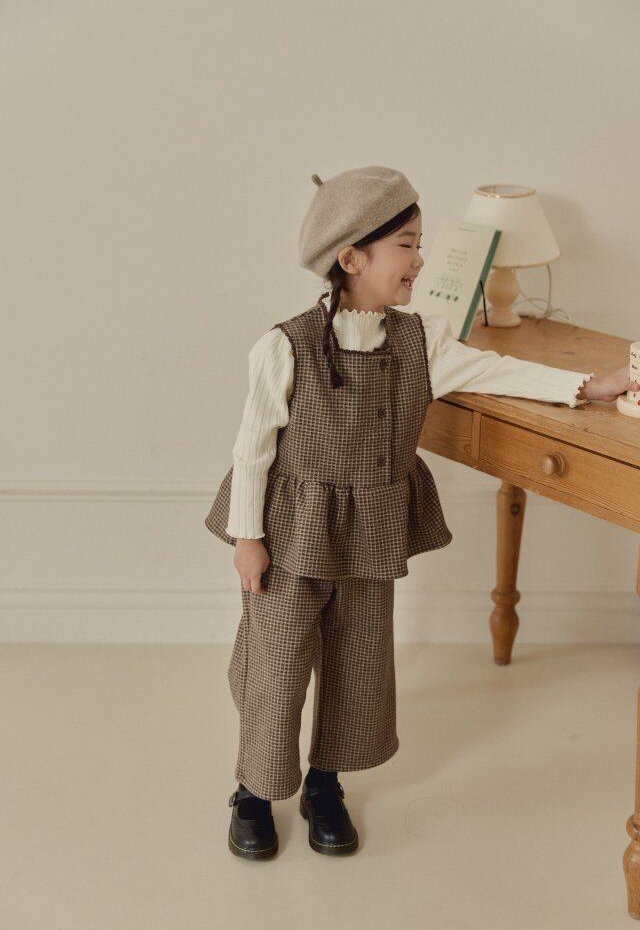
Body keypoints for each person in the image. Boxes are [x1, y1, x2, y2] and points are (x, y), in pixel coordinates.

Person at [205, 166, 640, 861]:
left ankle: (326, 783)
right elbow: (252, 449)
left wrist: (593, 386)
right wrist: (246, 538)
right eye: (406, 245)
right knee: (276, 663)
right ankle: (254, 792)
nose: (420, 259)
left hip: (371, 534)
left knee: (358, 661)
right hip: (291, 535)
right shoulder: (285, 346)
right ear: (353, 258)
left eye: (419, 243)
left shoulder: (420, 342)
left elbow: (500, 372)